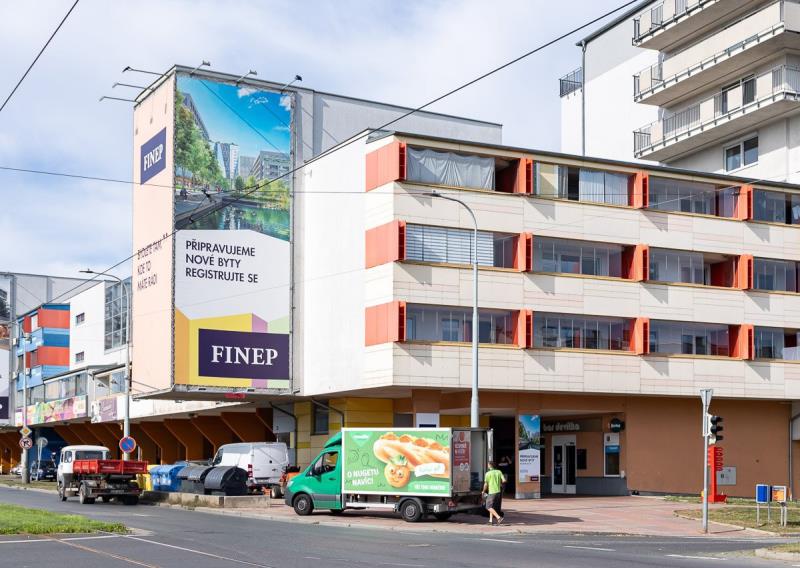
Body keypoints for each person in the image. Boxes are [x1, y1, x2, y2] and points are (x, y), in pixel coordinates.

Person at [482, 461, 507, 526]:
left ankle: (499, 518)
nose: (487, 466)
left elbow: (486, 484)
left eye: (488, 465)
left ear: (490, 465)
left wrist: (483, 491)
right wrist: (499, 483)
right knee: (492, 507)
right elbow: (504, 480)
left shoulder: (488, 473)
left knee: (488, 506)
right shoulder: (499, 472)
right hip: (498, 492)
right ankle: (490, 521)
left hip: (492, 492)